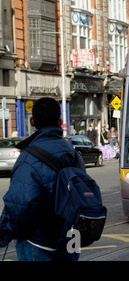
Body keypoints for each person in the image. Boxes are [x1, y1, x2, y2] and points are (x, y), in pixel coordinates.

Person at [0, 97, 83, 261]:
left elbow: (19, 205)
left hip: (38, 242)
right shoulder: (73, 155)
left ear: (32, 121)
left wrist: (6, 234)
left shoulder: (29, 159)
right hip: (71, 239)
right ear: (60, 122)